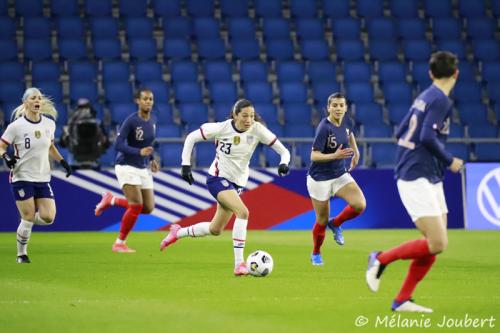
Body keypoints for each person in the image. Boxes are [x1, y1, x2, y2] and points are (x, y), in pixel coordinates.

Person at [365, 51, 464, 313]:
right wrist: (449, 160)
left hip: (426, 174)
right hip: (417, 175)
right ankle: (380, 258)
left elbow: (401, 132)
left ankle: (402, 300)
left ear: (431, 74)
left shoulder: (424, 96)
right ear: (456, 73)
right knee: (438, 242)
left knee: (435, 244)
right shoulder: (441, 100)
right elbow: (427, 137)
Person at [159, 99, 291, 276]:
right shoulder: (221, 128)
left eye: (252, 116)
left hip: (237, 184)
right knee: (243, 212)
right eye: (245, 116)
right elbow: (191, 137)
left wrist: (284, 163)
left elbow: (284, 151)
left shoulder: (257, 130)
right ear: (235, 115)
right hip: (217, 178)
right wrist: (185, 164)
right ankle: (239, 264)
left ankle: (178, 232)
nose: (249, 120)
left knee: (216, 229)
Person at [0, 87, 72, 263]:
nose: (37, 101)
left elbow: (50, 146)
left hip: (42, 177)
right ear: (26, 103)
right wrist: (6, 157)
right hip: (21, 177)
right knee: (28, 216)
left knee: (48, 217)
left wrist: (62, 161)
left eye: (39, 98)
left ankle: (27, 219)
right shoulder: (16, 126)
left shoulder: (49, 124)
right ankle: (21, 254)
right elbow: (1, 146)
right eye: (33, 98)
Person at [94, 88, 159, 253]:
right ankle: (119, 243)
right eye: (145, 99)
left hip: (142, 166)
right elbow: (119, 144)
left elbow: (147, 145)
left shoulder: (153, 120)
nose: (148, 102)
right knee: (136, 205)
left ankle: (112, 200)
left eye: (150, 99)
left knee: (148, 208)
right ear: (137, 101)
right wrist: (139, 152)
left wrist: (151, 160)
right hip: (126, 165)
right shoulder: (131, 121)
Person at [307, 92, 366, 266]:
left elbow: (349, 134)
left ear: (346, 108)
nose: (338, 108)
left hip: (340, 174)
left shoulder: (348, 121)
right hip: (319, 179)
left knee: (359, 204)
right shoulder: (324, 128)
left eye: (341, 105)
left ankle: (337, 223)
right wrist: (335, 155)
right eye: (335, 105)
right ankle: (316, 253)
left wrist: (355, 151)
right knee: (321, 221)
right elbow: (314, 156)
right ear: (328, 108)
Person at [60, 98, 109, 167]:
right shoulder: (71, 125)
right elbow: (106, 143)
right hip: (80, 152)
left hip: (87, 152)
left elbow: (62, 143)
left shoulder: (70, 124)